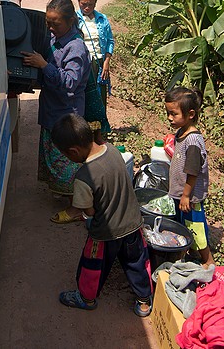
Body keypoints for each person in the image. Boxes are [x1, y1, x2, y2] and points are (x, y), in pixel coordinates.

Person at [50, 113, 154, 316]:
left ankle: (86, 298)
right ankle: (144, 301)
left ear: (73, 151)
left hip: (105, 233)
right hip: (133, 223)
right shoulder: (113, 151)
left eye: (67, 156)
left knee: (92, 266)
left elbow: (89, 211)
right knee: (137, 262)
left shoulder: (84, 177)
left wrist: (83, 216)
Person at [21, 0, 91, 197]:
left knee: (67, 160)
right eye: (48, 23)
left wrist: (44, 65)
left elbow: (70, 82)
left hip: (66, 115)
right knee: (54, 157)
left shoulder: (75, 47)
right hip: (52, 111)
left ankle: (77, 203)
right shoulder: (55, 39)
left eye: (56, 24)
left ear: (70, 21)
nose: (51, 28)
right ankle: (61, 193)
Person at [165, 86, 215, 268]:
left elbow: (193, 171)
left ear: (191, 114)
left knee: (195, 226)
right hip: (182, 193)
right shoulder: (181, 132)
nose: (169, 118)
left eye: (174, 114)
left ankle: (207, 260)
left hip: (190, 195)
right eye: (168, 113)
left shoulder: (193, 141)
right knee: (184, 224)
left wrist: (186, 195)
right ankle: (189, 251)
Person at [76, 0, 113, 144]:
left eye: (90, 4)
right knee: (83, 97)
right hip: (82, 63)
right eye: (83, 4)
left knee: (100, 98)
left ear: (95, 3)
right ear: (78, 2)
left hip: (98, 64)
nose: (86, 7)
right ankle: (83, 132)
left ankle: (98, 133)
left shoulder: (102, 19)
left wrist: (106, 63)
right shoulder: (74, 19)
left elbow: (110, 41)